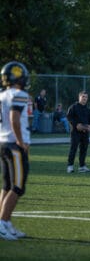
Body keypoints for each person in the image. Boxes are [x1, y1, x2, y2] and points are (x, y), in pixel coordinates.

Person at [0, 61, 30, 240]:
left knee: (7, 185)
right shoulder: (18, 94)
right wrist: (20, 141)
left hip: (3, 142)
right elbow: (14, 118)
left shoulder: (2, 95)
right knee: (18, 186)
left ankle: (6, 222)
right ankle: (2, 222)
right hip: (13, 144)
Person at [66, 91, 90, 173]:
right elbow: (69, 117)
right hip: (75, 132)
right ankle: (70, 166)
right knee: (73, 148)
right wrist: (76, 125)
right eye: (83, 97)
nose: (84, 98)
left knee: (84, 149)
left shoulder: (88, 109)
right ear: (79, 97)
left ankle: (82, 166)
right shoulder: (73, 107)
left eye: (86, 97)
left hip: (85, 132)